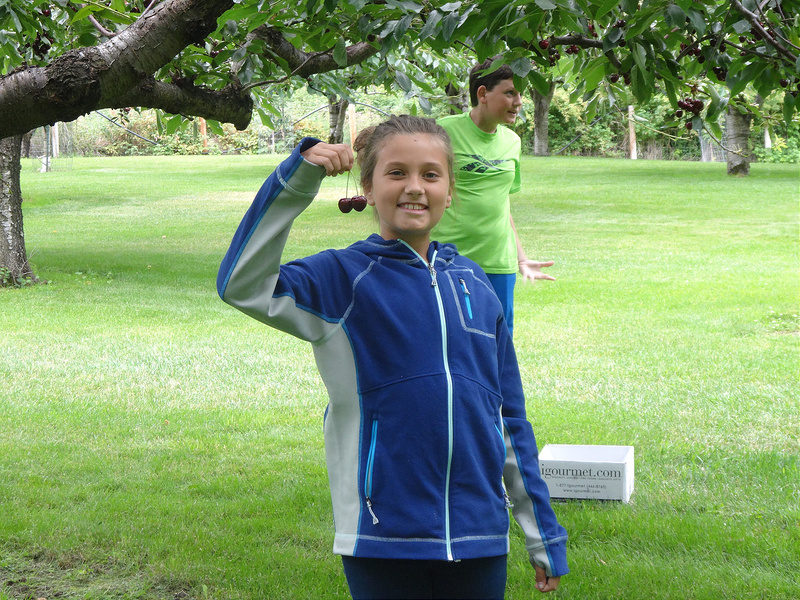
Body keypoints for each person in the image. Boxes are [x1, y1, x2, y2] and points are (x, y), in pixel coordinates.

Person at [217, 115, 568, 599]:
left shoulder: (476, 285)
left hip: (479, 533)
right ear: (367, 184)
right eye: (396, 172)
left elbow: (509, 418)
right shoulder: (342, 277)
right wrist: (296, 181)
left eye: (430, 174)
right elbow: (243, 285)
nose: (414, 188)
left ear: (450, 191)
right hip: (382, 534)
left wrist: (542, 534)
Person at [434, 58, 555, 335]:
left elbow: (503, 204)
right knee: (450, 336)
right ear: (483, 94)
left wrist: (521, 259)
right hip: (447, 258)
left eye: (521, 93)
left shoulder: (512, 141)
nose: (519, 101)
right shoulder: (443, 132)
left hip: (499, 264)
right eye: (510, 92)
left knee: (498, 341)